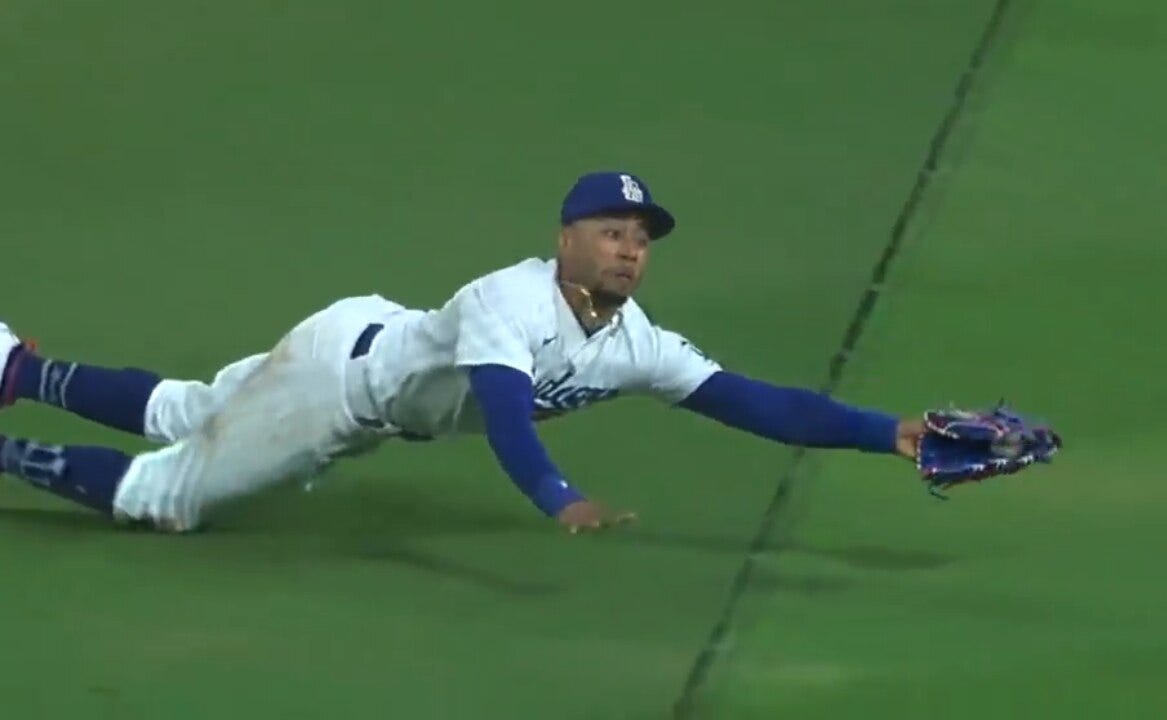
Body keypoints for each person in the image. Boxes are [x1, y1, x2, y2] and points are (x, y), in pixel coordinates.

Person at [0, 171, 925, 534]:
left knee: (193, 410)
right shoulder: (508, 300)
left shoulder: (634, 341)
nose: (630, 250)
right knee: (166, 498)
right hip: (340, 387)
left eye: (641, 239)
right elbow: (507, 411)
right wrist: (557, 497)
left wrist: (892, 434)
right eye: (611, 232)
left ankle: (14, 368)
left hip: (365, 337)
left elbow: (756, 401)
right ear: (566, 238)